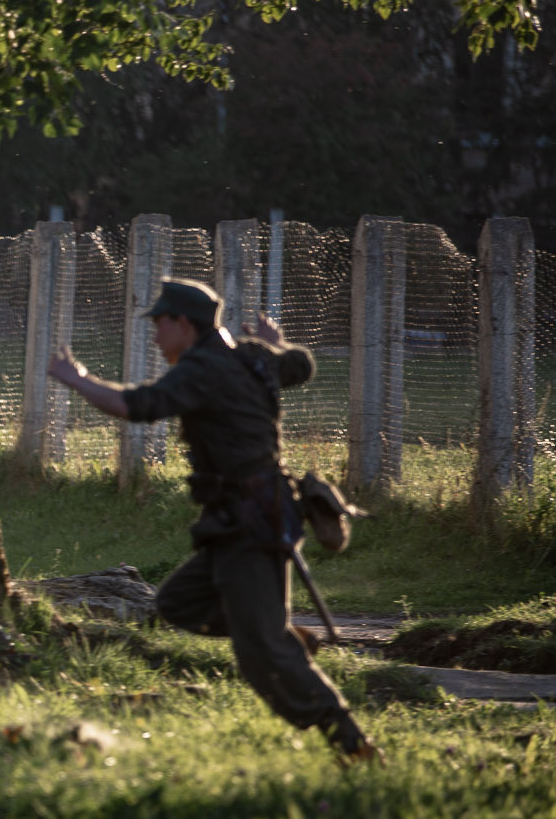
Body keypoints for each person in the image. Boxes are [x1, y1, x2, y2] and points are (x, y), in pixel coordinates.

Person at [46, 278, 378, 762]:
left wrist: (75, 378)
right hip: (244, 519)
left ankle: (349, 738)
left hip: (251, 524)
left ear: (184, 324)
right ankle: (274, 632)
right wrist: (273, 342)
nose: (156, 337)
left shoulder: (201, 368)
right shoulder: (250, 356)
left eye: (160, 325)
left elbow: (137, 406)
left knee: (260, 654)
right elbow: (300, 365)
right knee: (178, 602)